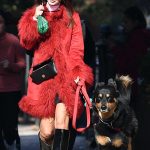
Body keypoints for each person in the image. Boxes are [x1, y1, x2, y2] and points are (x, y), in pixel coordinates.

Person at [17, 0, 94, 149]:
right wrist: (34, 20)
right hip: (44, 78)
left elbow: (76, 49)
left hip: (66, 77)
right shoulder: (34, 14)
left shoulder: (72, 16)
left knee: (62, 123)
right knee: (47, 131)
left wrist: (78, 71)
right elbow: (26, 44)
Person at [109, 6, 149, 111]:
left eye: (126, 22)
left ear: (135, 22)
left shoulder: (139, 37)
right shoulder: (134, 36)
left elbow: (130, 60)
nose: (123, 25)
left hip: (133, 87)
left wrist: (115, 49)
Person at [0, 10, 26, 150]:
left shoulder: (13, 41)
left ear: (4, 24)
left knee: (9, 127)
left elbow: (23, 64)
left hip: (11, 90)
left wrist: (9, 65)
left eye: (0, 22)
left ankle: (12, 135)